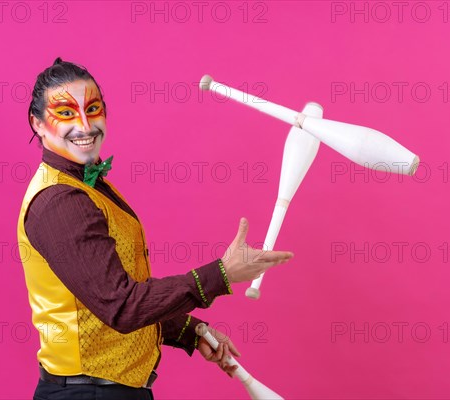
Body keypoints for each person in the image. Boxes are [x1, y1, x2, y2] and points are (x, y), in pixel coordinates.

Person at [17, 57, 294, 400]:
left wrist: (191, 331)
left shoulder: (88, 186)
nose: (85, 125)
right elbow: (120, 305)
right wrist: (222, 273)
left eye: (93, 108)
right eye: (66, 113)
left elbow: (119, 289)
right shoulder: (60, 202)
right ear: (38, 123)